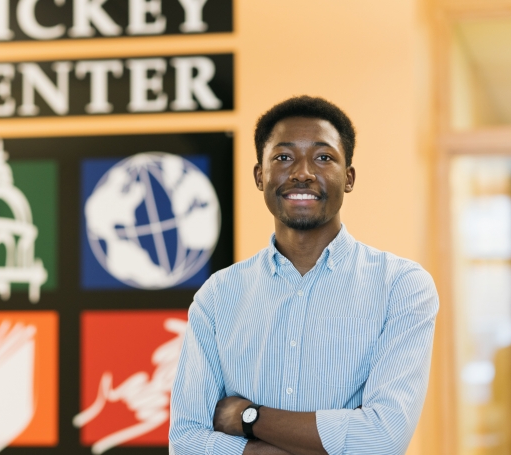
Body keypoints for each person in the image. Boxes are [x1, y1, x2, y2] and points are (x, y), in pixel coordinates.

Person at [168, 96, 439, 455]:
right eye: (283, 157)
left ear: (349, 178)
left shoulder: (401, 287)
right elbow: (186, 441)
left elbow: (382, 439)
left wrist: (248, 418)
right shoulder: (218, 295)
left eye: (324, 157)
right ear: (259, 176)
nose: (302, 172)